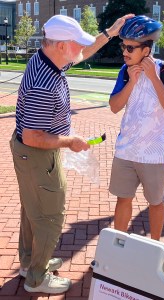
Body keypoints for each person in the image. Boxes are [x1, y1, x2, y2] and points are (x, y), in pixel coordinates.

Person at [10, 14, 133, 294]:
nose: (81, 50)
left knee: (33, 210)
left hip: (29, 154)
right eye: (76, 44)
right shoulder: (45, 83)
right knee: (50, 216)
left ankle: (30, 263)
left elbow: (82, 53)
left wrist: (110, 33)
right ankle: (37, 278)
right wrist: (70, 141)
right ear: (62, 45)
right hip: (37, 153)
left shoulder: (46, 58)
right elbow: (33, 135)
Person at [109, 16, 164, 241]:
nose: (124, 51)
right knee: (123, 199)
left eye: (130, 47)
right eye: (123, 46)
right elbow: (114, 107)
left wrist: (153, 78)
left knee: (156, 202)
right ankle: (116, 248)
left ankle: (154, 248)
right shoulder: (125, 71)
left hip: (156, 152)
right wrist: (131, 82)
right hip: (126, 150)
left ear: (147, 49)